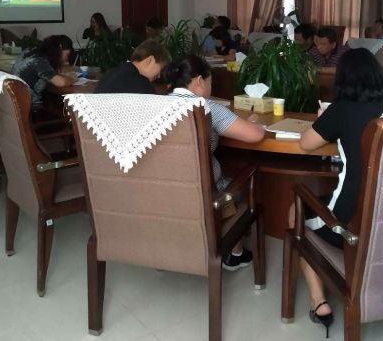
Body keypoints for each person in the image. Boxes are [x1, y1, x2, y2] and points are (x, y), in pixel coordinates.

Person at [298, 48, 383, 334]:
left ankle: (319, 302)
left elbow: (306, 144)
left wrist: (324, 120)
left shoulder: (342, 109)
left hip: (350, 225)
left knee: (297, 210)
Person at [164, 55, 265, 271]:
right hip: (206, 197)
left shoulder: (156, 104)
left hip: (165, 193)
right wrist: (255, 122)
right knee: (233, 190)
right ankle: (235, 253)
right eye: (211, 82)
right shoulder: (206, 108)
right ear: (200, 81)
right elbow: (255, 135)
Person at [11, 35, 76, 114]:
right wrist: (72, 79)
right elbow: (61, 83)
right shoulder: (39, 60)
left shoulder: (30, 51)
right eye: (67, 55)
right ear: (60, 47)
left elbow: (49, 74)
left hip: (15, 103)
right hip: (30, 107)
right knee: (62, 109)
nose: (66, 59)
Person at [95, 39, 170, 94]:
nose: (159, 76)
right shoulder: (142, 84)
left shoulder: (112, 73)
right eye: (161, 68)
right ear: (151, 60)